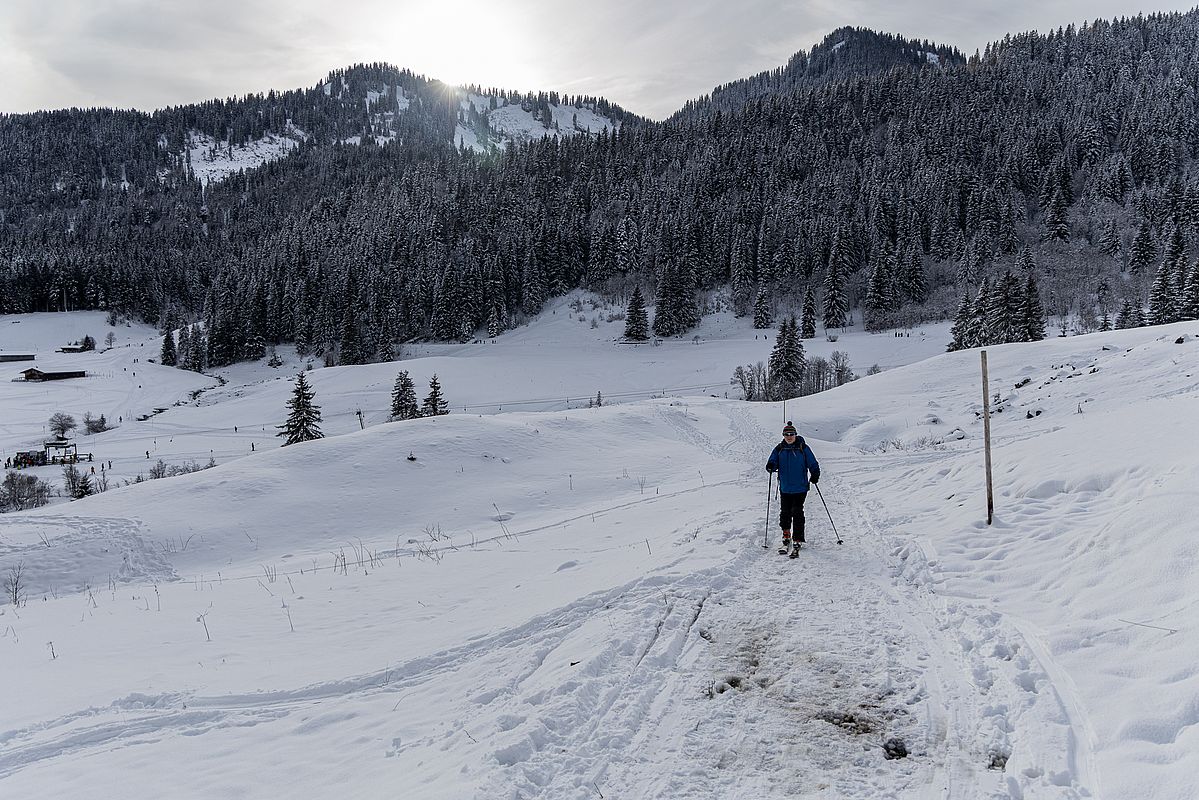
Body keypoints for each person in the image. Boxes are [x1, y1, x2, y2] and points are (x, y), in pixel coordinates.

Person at [766, 421, 821, 556]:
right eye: (786, 434)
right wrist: (771, 466)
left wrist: (815, 473)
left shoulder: (803, 448)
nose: (789, 436)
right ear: (783, 435)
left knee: (796, 511)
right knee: (785, 512)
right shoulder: (779, 449)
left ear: (796, 435)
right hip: (785, 487)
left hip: (800, 487)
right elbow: (773, 460)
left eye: (791, 434)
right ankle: (786, 534)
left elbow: (812, 462)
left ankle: (797, 538)